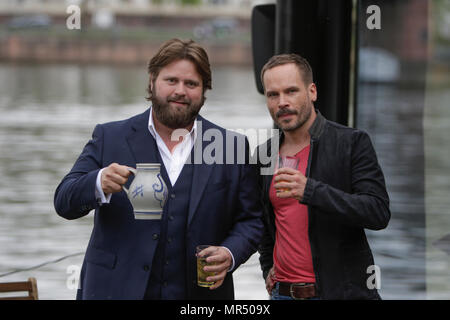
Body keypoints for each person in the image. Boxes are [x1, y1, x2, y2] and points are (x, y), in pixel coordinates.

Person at [54, 38, 263, 300]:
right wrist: (98, 182)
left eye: (191, 84)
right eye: (171, 80)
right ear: (152, 81)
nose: (180, 91)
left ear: (204, 90)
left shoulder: (231, 145)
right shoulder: (110, 136)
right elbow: (64, 201)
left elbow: (252, 220)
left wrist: (229, 254)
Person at [256, 53, 391, 300]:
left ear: (312, 92)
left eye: (291, 91)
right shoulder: (265, 153)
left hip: (340, 293)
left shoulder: (352, 142)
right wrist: (267, 268)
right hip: (282, 294)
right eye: (273, 95)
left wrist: (311, 191)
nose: (282, 102)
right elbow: (265, 224)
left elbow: (378, 212)